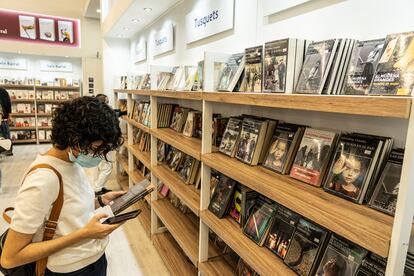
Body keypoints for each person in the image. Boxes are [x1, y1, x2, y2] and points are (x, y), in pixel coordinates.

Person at [1, 97, 125, 275]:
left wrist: (99, 201)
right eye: (97, 149)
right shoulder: (43, 179)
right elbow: (10, 257)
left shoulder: (71, 163)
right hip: (69, 269)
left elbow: (67, 209)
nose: (100, 155)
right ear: (75, 141)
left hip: (92, 261)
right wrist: (83, 234)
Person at [93, 94, 113, 195]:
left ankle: (99, 186)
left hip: (99, 143)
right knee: (107, 166)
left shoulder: (97, 112)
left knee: (101, 166)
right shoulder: (102, 115)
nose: (108, 104)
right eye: (107, 101)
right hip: (102, 143)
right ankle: (97, 189)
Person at [0, 87, 12, 155]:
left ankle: (9, 150)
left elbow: (8, 103)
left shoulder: (3, 91)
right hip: (3, 116)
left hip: (3, 117)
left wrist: (10, 115)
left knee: (6, 134)